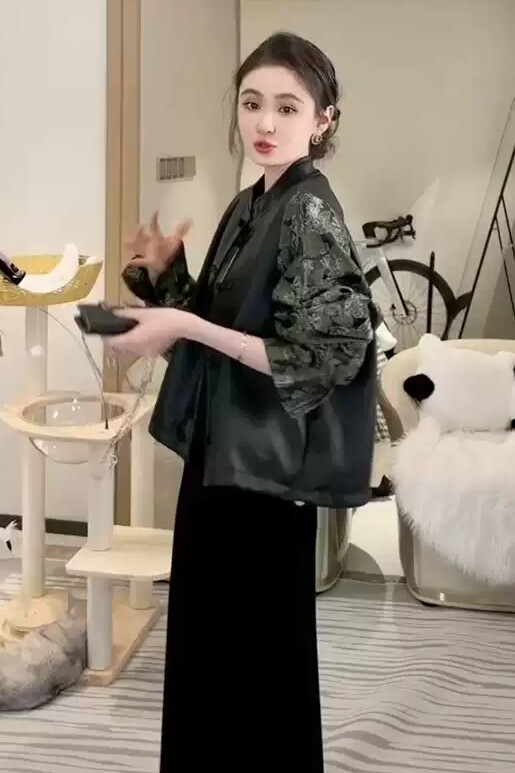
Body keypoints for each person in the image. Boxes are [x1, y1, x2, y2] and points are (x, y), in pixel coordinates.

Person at [106, 31, 377, 773]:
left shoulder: (308, 211)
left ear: (322, 120)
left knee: (254, 664)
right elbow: (224, 325)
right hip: (224, 461)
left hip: (264, 475)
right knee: (213, 649)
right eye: (252, 102)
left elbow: (324, 355)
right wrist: (168, 280)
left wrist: (186, 324)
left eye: (287, 107)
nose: (264, 122)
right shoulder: (252, 201)